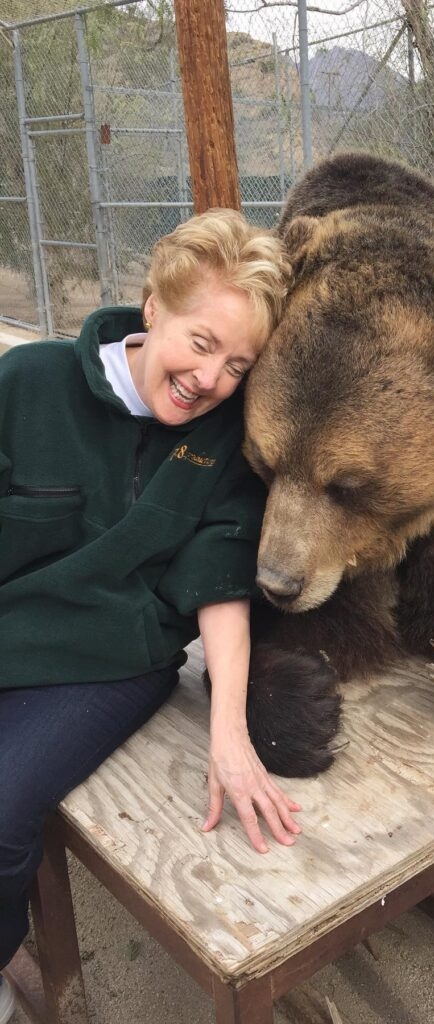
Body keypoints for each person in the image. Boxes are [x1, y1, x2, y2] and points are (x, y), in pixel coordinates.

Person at [0, 209, 300, 1018]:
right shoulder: (28, 383)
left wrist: (228, 733)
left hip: (106, 663)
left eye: (237, 365)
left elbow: (220, 590)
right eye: (202, 344)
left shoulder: (224, 442)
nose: (211, 380)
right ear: (153, 308)